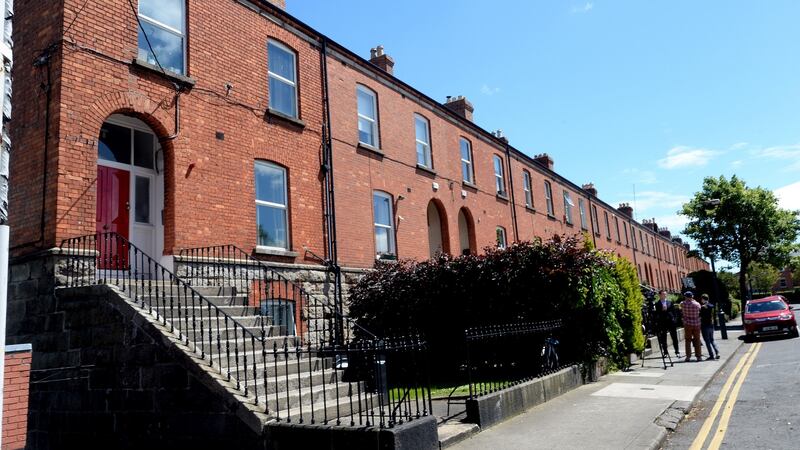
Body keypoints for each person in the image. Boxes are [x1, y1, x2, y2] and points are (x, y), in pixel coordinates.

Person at [653, 289, 680, 358]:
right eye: (663, 294)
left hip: (670, 321)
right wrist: (661, 310)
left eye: (665, 294)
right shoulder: (657, 304)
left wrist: (674, 319)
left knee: (674, 337)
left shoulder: (670, 302)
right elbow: (656, 314)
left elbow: (674, 311)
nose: (665, 295)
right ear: (659, 295)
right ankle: (665, 352)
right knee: (663, 338)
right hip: (662, 322)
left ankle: (677, 351)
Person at [681, 291, 703, 362]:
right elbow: (700, 310)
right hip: (696, 324)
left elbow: (681, 305)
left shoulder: (683, 304)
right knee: (697, 340)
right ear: (692, 296)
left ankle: (688, 356)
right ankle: (698, 356)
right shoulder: (697, 304)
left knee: (688, 340)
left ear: (685, 297)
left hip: (687, 324)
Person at [700, 294, 720, 360]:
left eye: (701, 299)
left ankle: (711, 355)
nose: (701, 300)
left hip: (705, 326)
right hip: (711, 325)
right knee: (712, 340)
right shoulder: (712, 306)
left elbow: (700, 316)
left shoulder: (703, 307)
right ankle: (717, 352)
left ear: (703, 299)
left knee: (707, 341)